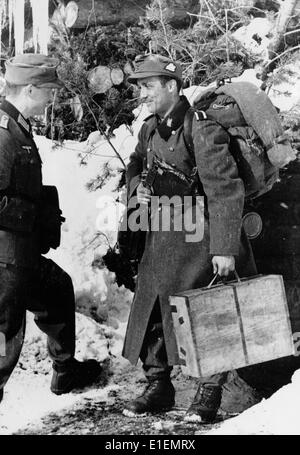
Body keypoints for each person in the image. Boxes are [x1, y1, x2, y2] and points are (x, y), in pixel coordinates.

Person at [122, 54, 257, 422]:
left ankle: (209, 391)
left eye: (148, 86)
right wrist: (138, 188)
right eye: (140, 87)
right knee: (152, 308)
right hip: (162, 234)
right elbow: (134, 164)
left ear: (171, 86)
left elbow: (225, 189)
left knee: (207, 310)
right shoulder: (149, 129)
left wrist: (226, 249)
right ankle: (158, 384)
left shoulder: (200, 127)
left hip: (201, 236)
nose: (143, 94)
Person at [0, 53, 102, 405]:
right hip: (5, 259)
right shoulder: (1, 134)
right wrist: (32, 216)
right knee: (3, 341)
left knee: (57, 290)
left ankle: (65, 370)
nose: (51, 99)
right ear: (30, 89)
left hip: (21, 253)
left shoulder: (19, 126)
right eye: (48, 91)